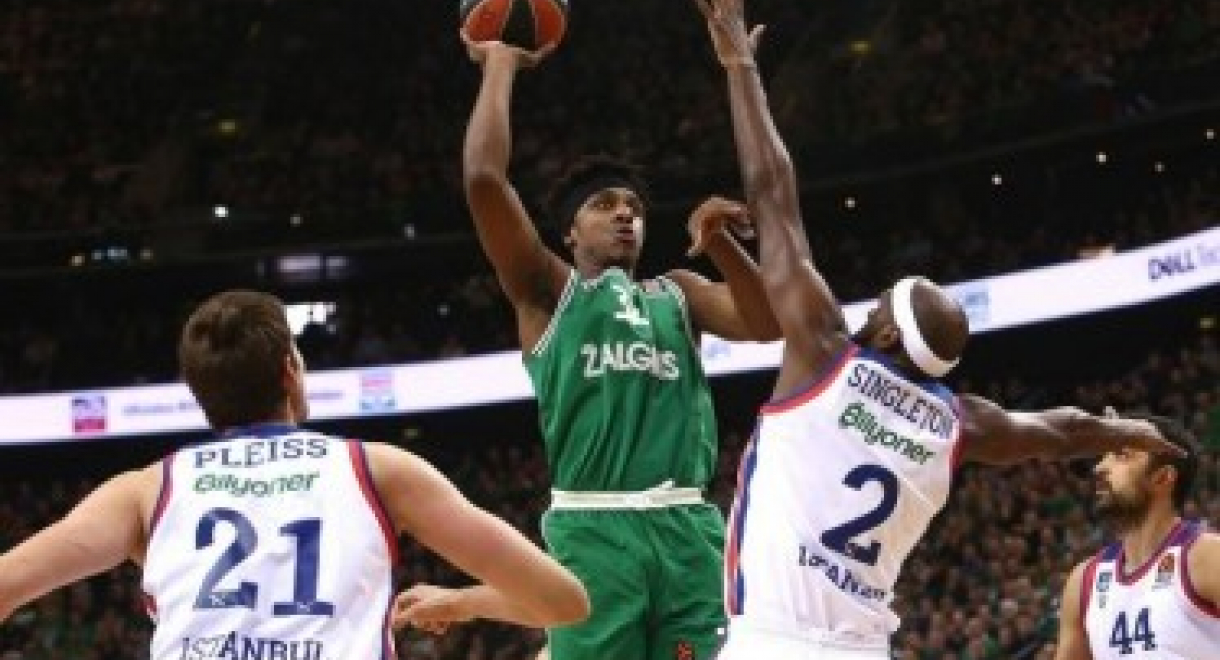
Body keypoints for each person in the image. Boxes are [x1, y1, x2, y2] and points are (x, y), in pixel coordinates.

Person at [689, 0, 1185, 657]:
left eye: (879, 309)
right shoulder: (961, 424)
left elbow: (772, 191)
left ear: (889, 337)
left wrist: (740, 69)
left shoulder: (825, 355)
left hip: (773, 642)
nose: (868, 312)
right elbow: (1060, 432)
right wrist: (1123, 430)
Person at [397, 33, 783, 660]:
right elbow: (484, 180)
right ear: (571, 232)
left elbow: (767, 323)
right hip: (595, 532)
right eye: (605, 206)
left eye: (634, 207)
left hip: (689, 529)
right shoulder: (549, 290)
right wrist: (500, 63)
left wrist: (720, 244)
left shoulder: (679, 293)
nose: (626, 214)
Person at [0, 290, 589, 658]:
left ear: (199, 392)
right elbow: (563, 601)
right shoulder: (378, 468)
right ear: (290, 371)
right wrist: (460, 603)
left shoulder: (144, 490)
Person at [1054, 412, 1220, 659]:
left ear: (1162, 478)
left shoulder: (1207, 557)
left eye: (1122, 455)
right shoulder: (1084, 580)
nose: (1100, 467)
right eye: (1104, 456)